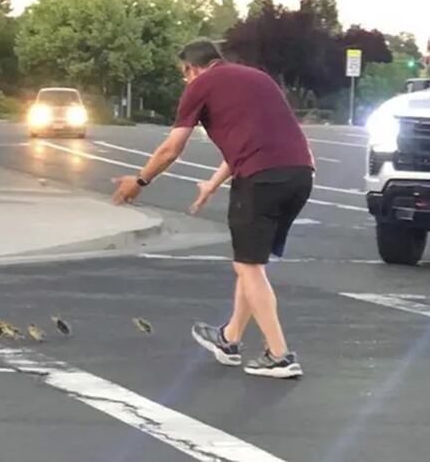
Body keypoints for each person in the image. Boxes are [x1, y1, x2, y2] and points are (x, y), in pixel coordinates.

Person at [113, 39, 314, 379]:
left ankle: (279, 354)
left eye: (184, 74)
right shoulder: (257, 78)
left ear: (192, 68)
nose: (185, 81)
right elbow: (255, 140)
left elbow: (170, 149)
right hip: (300, 175)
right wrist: (212, 183)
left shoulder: (201, 85)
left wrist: (140, 181)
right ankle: (230, 337)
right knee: (252, 263)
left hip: (260, 180)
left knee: (248, 266)